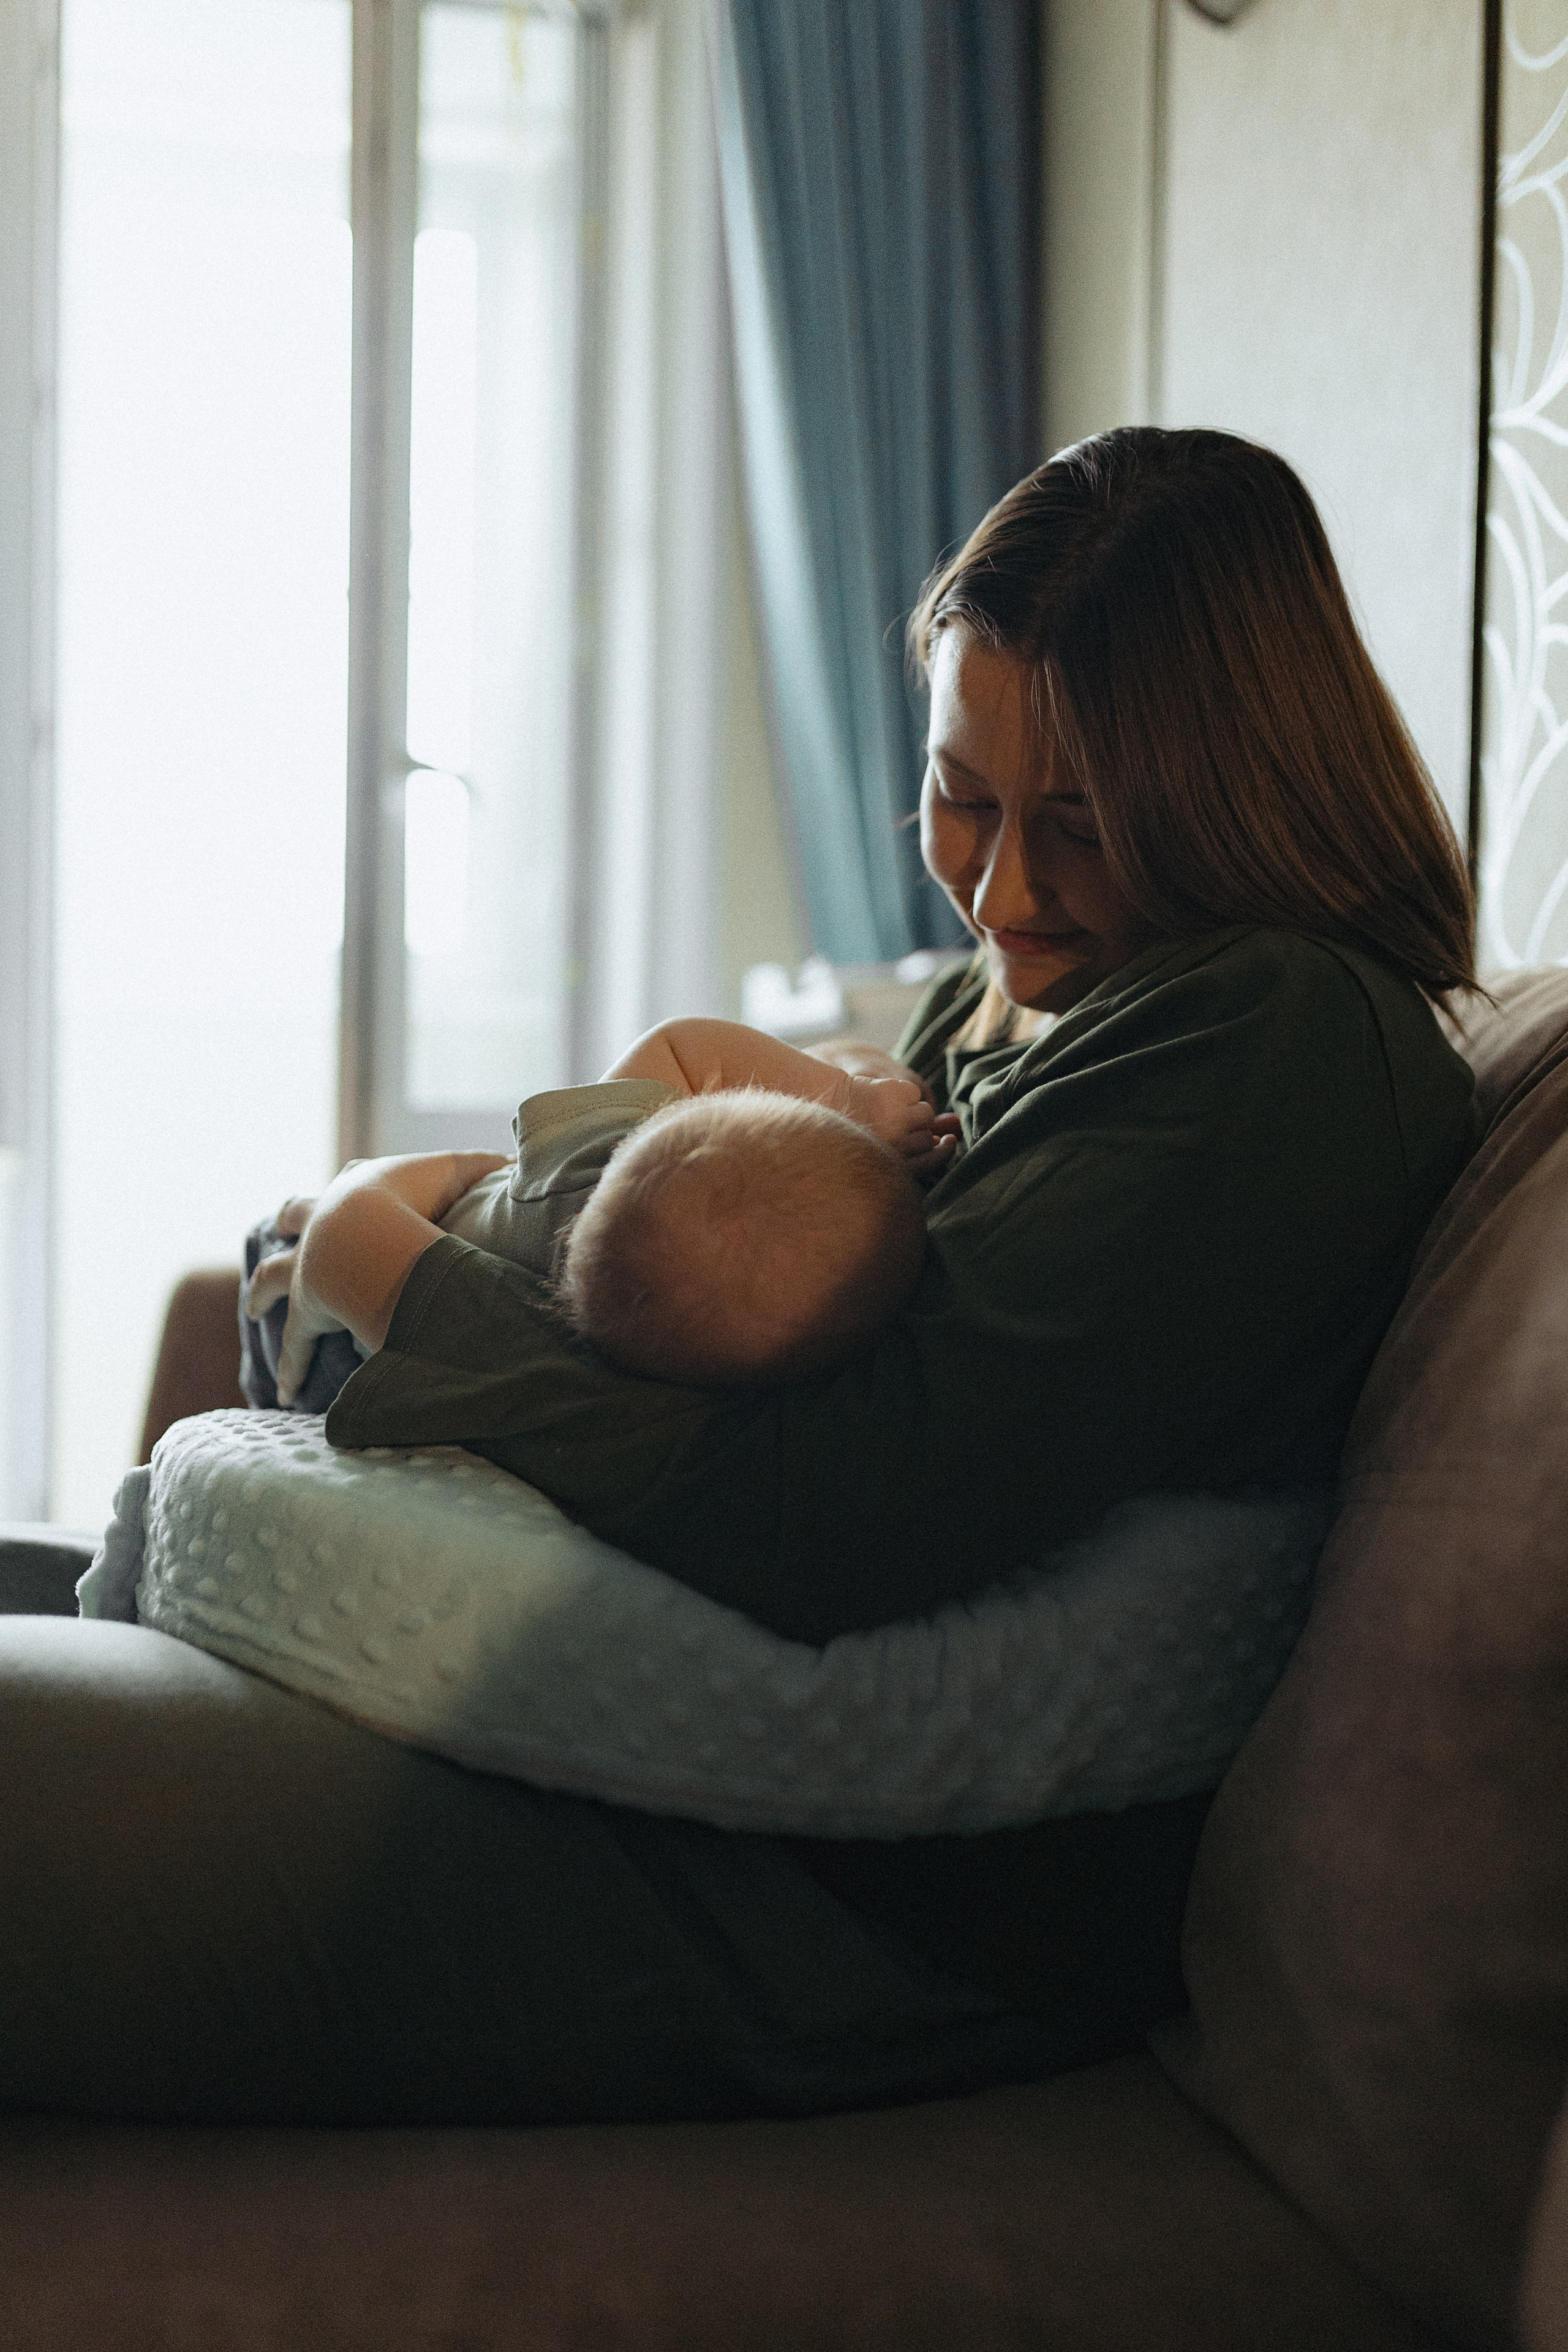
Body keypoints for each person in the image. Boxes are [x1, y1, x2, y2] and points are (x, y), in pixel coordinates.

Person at [0, 428, 1483, 2127]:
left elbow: (829, 1499)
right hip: (630, 1762)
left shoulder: (1276, 1038)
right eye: (961, 795)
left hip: (820, 1888)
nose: (1000, 886)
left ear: (1236, 790)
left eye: (1075, 821)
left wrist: (398, 1278)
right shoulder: (1005, 1014)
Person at [240, 1013, 951, 1412]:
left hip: (332, 1289)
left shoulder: (600, 1154)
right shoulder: (662, 1366)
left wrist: (855, 1099)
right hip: (414, 1243)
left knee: (291, 1316)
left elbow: (684, 1044)